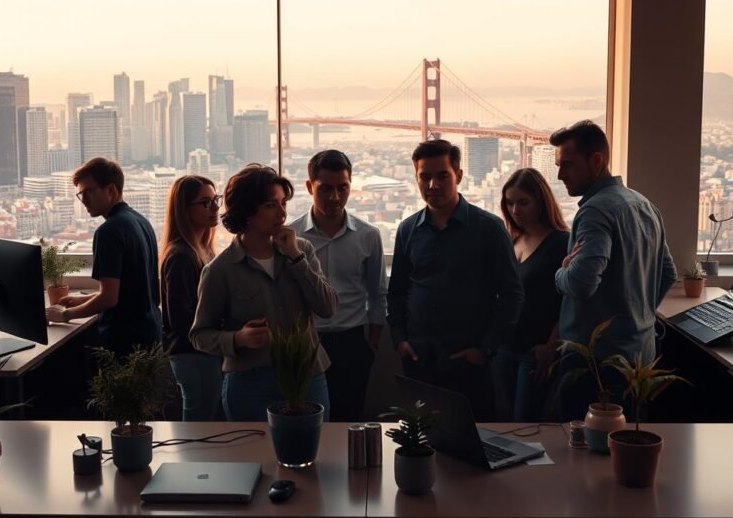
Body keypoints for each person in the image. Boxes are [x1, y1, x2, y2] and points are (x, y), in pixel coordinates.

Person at [388, 139, 524, 422]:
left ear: (458, 176)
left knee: (475, 447)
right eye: (424, 177)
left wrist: (486, 348)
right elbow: (397, 291)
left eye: (442, 176)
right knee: (421, 445)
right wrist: (400, 339)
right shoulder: (407, 229)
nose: (433, 185)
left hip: (469, 363)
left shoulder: (488, 229)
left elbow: (511, 293)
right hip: (419, 361)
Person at [550, 121, 677, 421]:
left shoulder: (595, 210)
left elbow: (581, 283)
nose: (559, 175)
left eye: (567, 165)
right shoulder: (644, 204)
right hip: (640, 356)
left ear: (597, 160)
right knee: (622, 449)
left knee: (584, 454)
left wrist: (561, 272)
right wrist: (636, 315)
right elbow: (668, 273)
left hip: (595, 362)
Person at [190, 164, 337, 422]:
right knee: (254, 457)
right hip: (250, 383)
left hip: (306, 375)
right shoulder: (220, 270)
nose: (281, 214)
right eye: (271, 205)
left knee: (315, 453)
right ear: (247, 212)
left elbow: (327, 307)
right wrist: (237, 339)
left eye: (283, 203)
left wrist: (295, 258)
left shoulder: (301, 250)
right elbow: (200, 335)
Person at [289, 150, 388, 422]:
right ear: (310, 187)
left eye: (342, 188)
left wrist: (373, 343)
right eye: (326, 189)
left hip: (352, 341)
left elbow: (377, 293)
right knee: (305, 418)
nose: (335, 197)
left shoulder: (368, 235)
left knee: (349, 418)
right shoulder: (291, 235)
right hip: (307, 340)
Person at [46, 157, 162, 356]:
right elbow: (134, 288)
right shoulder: (141, 221)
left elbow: (109, 298)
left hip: (124, 341)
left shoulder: (109, 231)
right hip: (149, 334)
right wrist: (87, 299)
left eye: (88, 192)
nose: (84, 201)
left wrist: (65, 315)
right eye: (80, 194)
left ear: (110, 190)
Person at [495, 168, 569, 422]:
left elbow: (568, 302)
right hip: (506, 347)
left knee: (526, 422)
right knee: (512, 421)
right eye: (510, 202)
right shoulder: (511, 239)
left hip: (536, 350)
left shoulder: (561, 243)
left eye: (524, 202)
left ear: (541, 201)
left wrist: (551, 347)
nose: (516, 210)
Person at [160, 175, 223, 421]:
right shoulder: (180, 256)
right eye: (205, 203)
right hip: (192, 353)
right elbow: (181, 319)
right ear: (184, 210)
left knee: (205, 416)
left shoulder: (203, 249)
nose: (215, 208)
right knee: (198, 420)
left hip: (203, 351)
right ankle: (190, 460)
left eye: (215, 200)